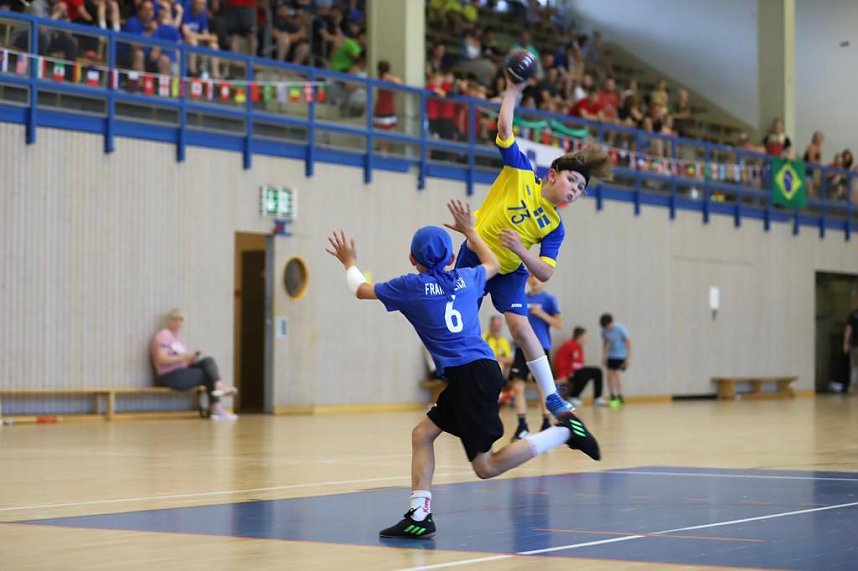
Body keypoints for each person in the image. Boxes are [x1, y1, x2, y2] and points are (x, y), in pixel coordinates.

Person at [325, 200, 601, 540]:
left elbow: (360, 290)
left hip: (469, 377)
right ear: (453, 257)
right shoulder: (467, 278)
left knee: (486, 466)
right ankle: (418, 515)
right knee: (422, 434)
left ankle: (564, 433)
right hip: (478, 372)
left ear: (412, 260)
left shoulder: (409, 287)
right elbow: (494, 262)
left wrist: (349, 262)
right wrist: (470, 230)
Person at [454, 69, 613, 423]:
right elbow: (505, 130)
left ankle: (552, 396)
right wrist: (512, 90)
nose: (575, 189)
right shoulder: (521, 173)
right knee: (460, 324)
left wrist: (522, 251)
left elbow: (546, 272)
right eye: (572, 180)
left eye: (581, 189)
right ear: (553, 174)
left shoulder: (555, 226)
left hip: (510, 271)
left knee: (522, 329)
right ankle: (462, 390)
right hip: (476, 256)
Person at [150, 309, 238, 420]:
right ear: (169, 321)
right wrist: (184, 357)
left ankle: (218, 385)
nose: (178, 322)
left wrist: (190, 359)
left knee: (208, 361)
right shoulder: (164, 335)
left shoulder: (179, 338)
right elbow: (161, 359)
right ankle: (216, 406)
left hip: (182, 370)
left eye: (181, 320)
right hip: (169, 375)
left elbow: (182, 360)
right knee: (207, 374)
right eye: (175, 319)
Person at [509, 275, 562, 440]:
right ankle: (522, 426)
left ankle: (546, 423)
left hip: (541, 347)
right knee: (517, 387)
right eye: (530, 277)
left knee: (542, 388)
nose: (533, 280)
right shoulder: (521, 298)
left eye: (536, 277)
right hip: (521, 348)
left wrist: (541, 314)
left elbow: (559, 324)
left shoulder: (549, 300)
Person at [555, 326, 606, 407]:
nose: (587, 338)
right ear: (580, 336)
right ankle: (573, 396)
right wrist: (562, 375)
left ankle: (597, 398)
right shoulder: (568, 345)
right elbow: (559, 360)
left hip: (578, 371)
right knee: (584, 375)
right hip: (569, 373)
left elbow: (579, 363)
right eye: (585, 336)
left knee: (597, 371)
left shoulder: (579, 347)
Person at [600, 313, 630, 406]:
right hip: (611, 356)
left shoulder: (620, 329)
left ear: (611, 323)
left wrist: (628, 357)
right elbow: (605, 342)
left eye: (608, 326)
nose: (607, 328)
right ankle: (613, 396)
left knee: (617, 374)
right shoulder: (604, 331)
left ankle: (620, 395)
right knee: (609, 375)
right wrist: (604, 356)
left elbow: (628, 342)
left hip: (620, 356)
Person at [843, 297, 858, 394]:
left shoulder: (853, 314)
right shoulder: (853, 314)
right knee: (854, 367)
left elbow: (849, 330)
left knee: (855, 367)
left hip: (855, 345)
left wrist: (846, 343)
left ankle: (853, 387)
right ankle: (853, 387)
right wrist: (846, 343)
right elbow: (849, 329)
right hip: (855, 345)